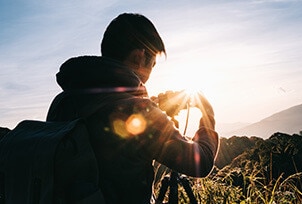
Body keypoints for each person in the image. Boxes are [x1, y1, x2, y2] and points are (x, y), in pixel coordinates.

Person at [47, 13, 219, 204]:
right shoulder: (139, 110)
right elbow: (200, 163)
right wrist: (207, 115)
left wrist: (156, 111)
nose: (151, 73)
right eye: (152, 64)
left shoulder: (62, 102)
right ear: (139, 57)